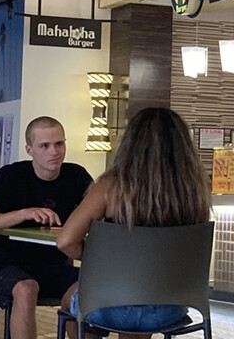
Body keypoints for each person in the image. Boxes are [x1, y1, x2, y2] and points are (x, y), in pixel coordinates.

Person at [57, 107, 211, 339]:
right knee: (141, 305)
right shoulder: (195, 192)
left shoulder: (110, 187)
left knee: (71, 300)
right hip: (171, 308)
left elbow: (66, 241)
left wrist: (102, 263)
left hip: (111, 306)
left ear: (130, 144)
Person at [0, 116, 93, 339]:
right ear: (29, 149)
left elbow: (101, 214)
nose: (54, 152)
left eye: (59, 144)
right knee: (27, 289)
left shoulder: (77, 176)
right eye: (45, 146)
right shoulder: (11, 175)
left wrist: (75, 227)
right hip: (6, 265)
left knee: (94, 284)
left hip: (54, 266)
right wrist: (23, 213)